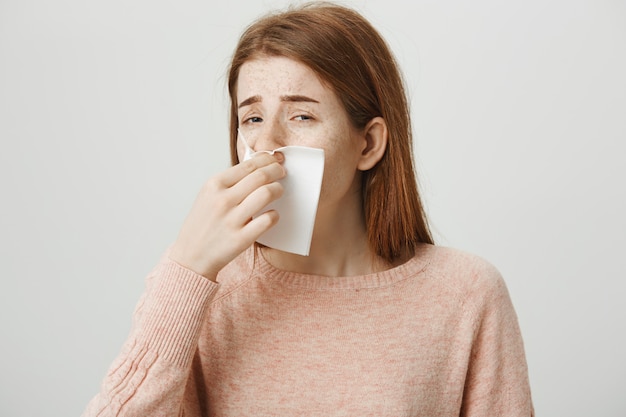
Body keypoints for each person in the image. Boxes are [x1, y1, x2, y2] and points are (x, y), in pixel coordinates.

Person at [82, 2, 533, 416]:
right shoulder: (202, 293)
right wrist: (186, 267)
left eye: (301, 116)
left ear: (368, 144)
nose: (268, 143)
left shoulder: (466, 293)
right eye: (253, 118)